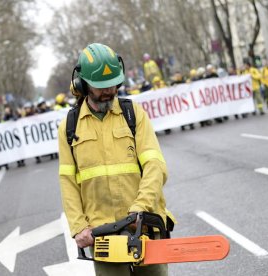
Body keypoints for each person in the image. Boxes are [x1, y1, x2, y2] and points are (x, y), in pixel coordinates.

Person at [58, 43, 172, 276]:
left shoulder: (134, 114)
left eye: (113, 84)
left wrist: (141, 207)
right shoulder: (69, 127)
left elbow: (155, 165)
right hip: (102, 232)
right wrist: (79, 227)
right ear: (82, 84)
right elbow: (68, 182)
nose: (109, 91)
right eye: (101, 87)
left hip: (144, 224)